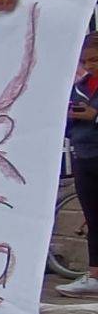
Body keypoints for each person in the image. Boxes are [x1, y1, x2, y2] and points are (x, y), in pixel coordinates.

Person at [57, 33, 98, 297]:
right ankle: (94, 275)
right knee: (94, 218)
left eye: (95, 59)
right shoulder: (82, 85)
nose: (91, 64)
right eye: (85, 60)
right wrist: (72, 117)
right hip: (84, 155)